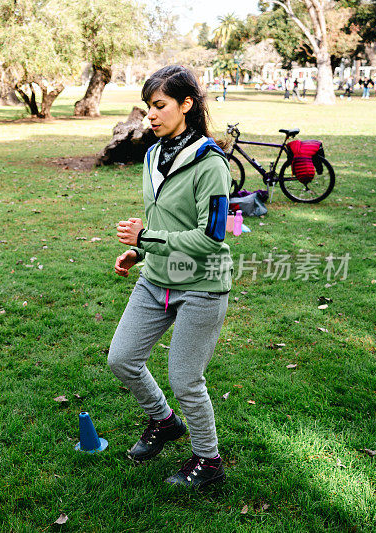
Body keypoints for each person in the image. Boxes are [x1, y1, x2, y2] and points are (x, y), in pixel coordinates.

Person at [108, 65, 232, 489]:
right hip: (156, 279)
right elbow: (163, 220)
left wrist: (148, 237)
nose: (152, 115)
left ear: (186, 104)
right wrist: (139, 250)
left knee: (185, 380)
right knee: (122, 359)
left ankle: (208, 460)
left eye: (159, 106)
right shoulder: (151, 154)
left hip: (202, 284)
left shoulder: (211, 163)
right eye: (148, 107)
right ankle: (163, 422)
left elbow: (213, 238)